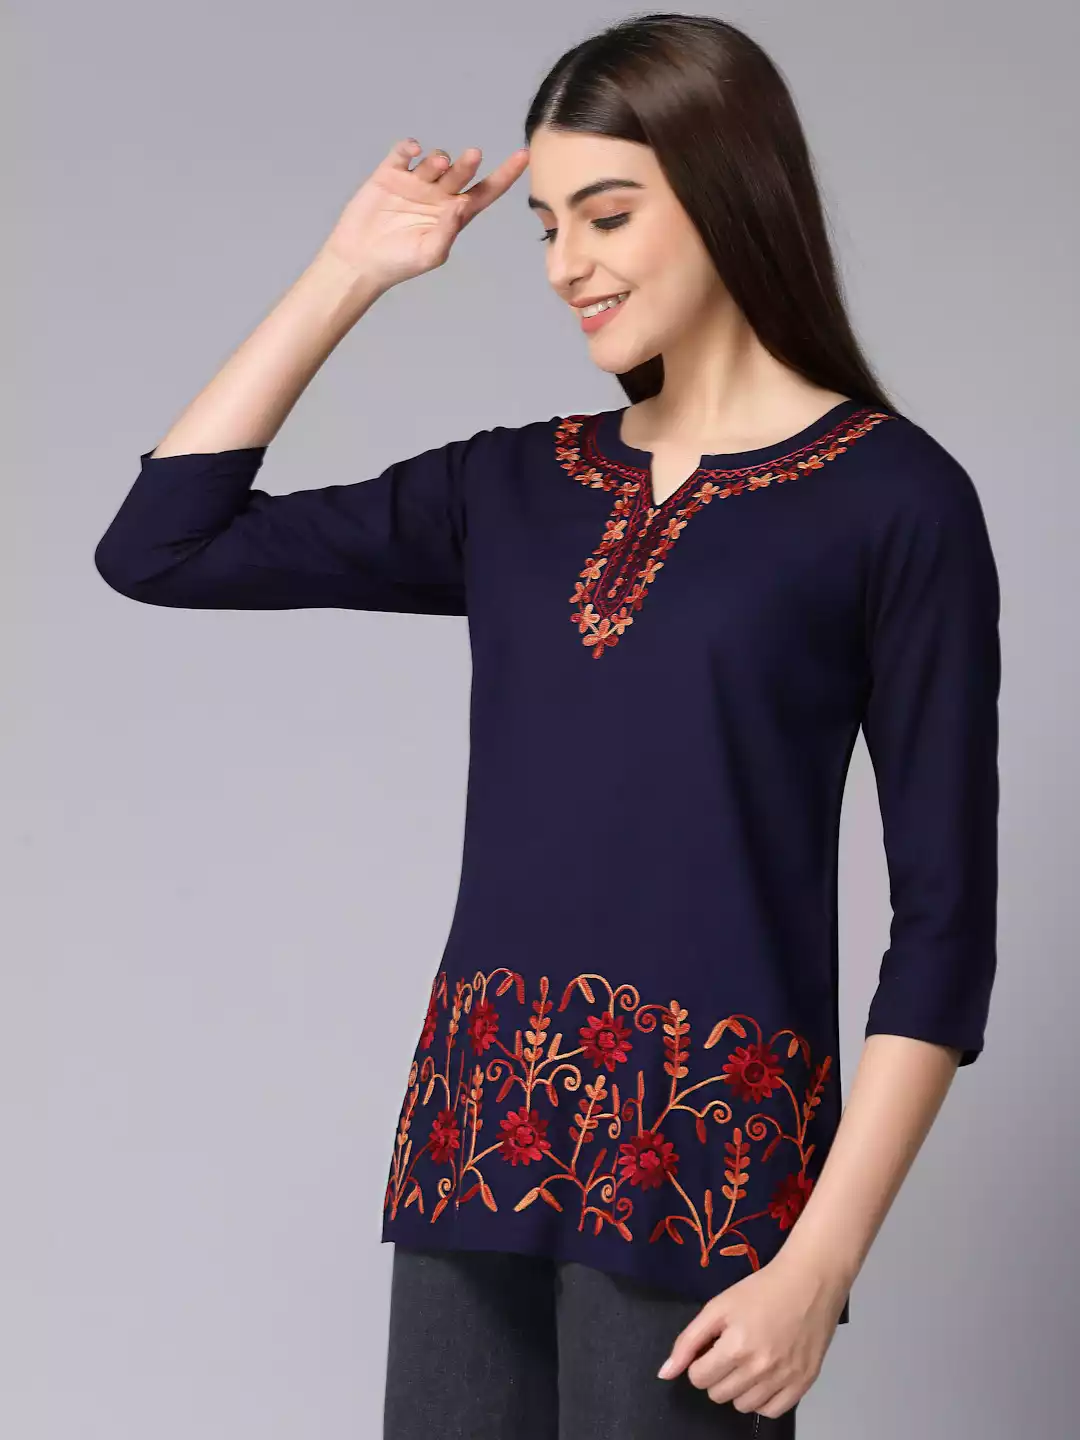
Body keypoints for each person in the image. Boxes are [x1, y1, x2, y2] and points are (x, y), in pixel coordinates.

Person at [93, 13, 1001, 1439]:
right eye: (547, 226)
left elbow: (945, 927)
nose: (566, 262)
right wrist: (350, 271)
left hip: (707, 1168)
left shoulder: (893, 499)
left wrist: (819, 1264)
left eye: (608, 215)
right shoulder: (515, 488)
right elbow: (160, 546)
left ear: (730, 191)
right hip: (476, 1144)